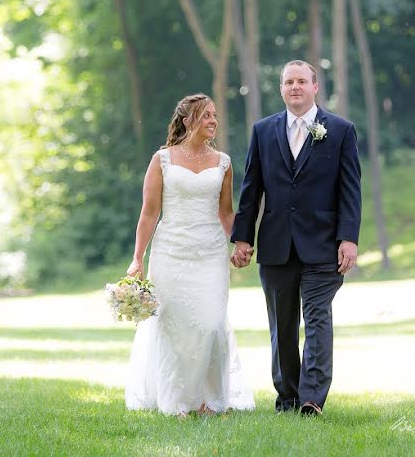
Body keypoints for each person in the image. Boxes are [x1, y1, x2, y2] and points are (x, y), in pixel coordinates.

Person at [231, 60, 361, 416]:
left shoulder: (340, 130)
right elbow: (250, 188)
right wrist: (242, 238)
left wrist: (348, 238)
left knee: (317, 319)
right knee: (282, 327)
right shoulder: (262, 131)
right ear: (281, 89)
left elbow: (350, 190)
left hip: (323, 246)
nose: (295, 87)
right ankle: (287, 397)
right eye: (288, 82)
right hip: (276, 245)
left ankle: (311, 399)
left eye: (302, 81)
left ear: (315, 87)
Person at [124, 93, 254, 417]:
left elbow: (226, 213)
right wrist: (138, 258)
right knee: (173, 327)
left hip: (210, 254)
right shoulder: (162, 159)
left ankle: (211, 399)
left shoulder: (222, 162)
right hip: (170, 253)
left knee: (211, 324)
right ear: (187, 120)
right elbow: (149, 213)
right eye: (206, 115)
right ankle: (176, 402)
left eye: (214, 115)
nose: (213, 120)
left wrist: (240, 242)